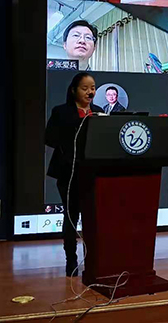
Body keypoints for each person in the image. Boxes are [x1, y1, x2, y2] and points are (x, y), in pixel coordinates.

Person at [45, 73, 104, 277]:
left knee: (93, 217)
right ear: (73, 90)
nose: (90, 92)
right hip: (68, 171)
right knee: (71, 216)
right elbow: (49, 138)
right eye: (85, 88)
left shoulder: (99, 112)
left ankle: (94, 260)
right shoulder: (61, 112)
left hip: (93, 172)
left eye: (93, 88)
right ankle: (71, 259)